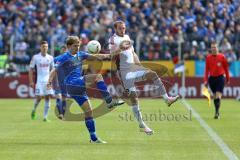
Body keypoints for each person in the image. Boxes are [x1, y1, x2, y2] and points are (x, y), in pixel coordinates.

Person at [47, 36, 124, 143]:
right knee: (98, 77)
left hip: (77, 88)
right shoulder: (64, 57)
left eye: (78, 45)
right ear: (68, 46)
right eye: (75, 46)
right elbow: (54, 70)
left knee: (89, 113)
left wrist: (112, 54)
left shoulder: (81, 54)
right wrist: (49, 81)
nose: (77, 48)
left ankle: (93, 138)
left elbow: (97, 56)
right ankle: (109, 101)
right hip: (72, 83)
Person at [109, 20, 179, 135]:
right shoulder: (113, 40)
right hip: (124, 72)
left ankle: (167, 99)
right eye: (120, 28)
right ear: (115, 29)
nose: (123, 30)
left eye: (124, 28)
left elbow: (133, 53)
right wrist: (120, 48)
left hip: (133, 68)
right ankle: (142, 125)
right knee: (134, 98)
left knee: (152, 74)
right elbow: (111, 55)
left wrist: (140, 66)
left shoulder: (126, 36)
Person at [29, 41, 54, 122]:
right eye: (43, 46)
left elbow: (53, 70)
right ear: (40, 47)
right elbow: (31, 69)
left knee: (48, 97)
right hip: (39, 80)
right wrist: (31, 81)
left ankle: (45, 117)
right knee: (39, 97)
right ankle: (34, 109)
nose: (45, 48)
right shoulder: (36, 57)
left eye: (46, 46)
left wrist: (51, 80)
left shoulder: (50, 58)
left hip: (47, 80)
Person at [204, 41, 230, 119]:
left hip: (220, 78)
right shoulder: (208, 58)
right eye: (212, 47)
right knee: (215, 96)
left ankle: (217, 113)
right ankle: (217, 111)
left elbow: (226, 69)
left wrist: (228, 79)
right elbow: (206, 70)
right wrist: (205, 80)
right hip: (212, 79)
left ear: (217, 48)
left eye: (215, 47)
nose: (213, 49)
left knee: (218, 95)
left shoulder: (222, 57)